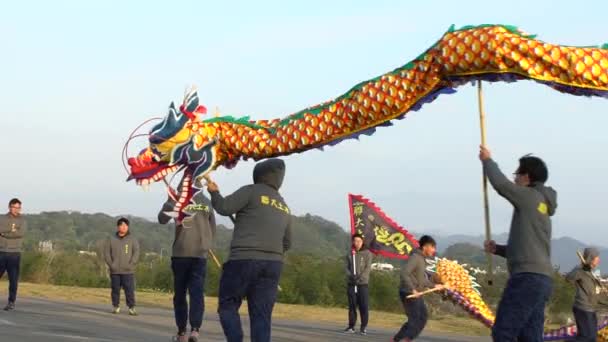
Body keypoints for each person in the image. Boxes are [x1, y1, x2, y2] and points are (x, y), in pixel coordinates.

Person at [206, 158, 293, 342]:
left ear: (258, 174)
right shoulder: (284, 205)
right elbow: (287, 242)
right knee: (261, 315)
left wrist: (214, 193)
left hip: (243, 260)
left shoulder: (251, 191)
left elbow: (224, 207)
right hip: (273, 265)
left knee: (228, 305)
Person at [480, 146, 557, 342]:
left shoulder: (530, 196)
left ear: (526, 177)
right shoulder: (542, 205)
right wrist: (498, 249)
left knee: (504, 332)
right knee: (529, 336)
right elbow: (528, 247)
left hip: (526, 279)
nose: (515, 178)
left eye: (517, 174)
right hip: (541, 279)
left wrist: (488, 161)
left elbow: (501, 185)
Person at [159, 191, 217, 342]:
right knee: (195, 293)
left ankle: (183, 332)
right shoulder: (204, 200)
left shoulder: (183, 198)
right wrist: (207, 244)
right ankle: (193, 331)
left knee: (181, 295)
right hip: (195, 254)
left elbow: (162, 218)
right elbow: (213, 228)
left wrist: (170, 201)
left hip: (185, 253)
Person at [393, 235, 445, 342]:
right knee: (415, 319)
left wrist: (434, 285)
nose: (434, 250)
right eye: (433, 247)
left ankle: (400, 339)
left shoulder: (422, 259)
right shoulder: (416, 258)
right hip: (409, 292)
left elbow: (421, 279)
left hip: (417, 293)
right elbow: (404, 273)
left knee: (422, 317)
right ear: (425, 246)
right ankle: (403, 339)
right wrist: (413, 289)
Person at [566, 248, 608, 342]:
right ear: (591, 258)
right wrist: (581, 269)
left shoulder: (590, 273)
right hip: (583, 308)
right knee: (586, 337)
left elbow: (595, 294)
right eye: (597, 257)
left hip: (591, 309)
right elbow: (569, 278)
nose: (599, 260)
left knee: (592, 338)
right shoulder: (581, 270)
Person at [104, 217, 140, 316]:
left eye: (125, 225)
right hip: (115, 270)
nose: (124, 227)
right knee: (115, 289)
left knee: (129, 290)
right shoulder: (111, 239)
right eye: (122, 225)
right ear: (118, 226)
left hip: (128, 270)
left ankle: (131, 308)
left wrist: (131, 263)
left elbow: (136, 252)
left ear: (128, 227)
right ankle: (116, 306)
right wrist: (111, 265)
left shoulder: (132, 239)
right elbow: (107, 253)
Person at [0, 198, 27, 311]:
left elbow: (20, 233)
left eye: (18, 207)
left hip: (15, 253)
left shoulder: (22, 220)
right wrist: (12, 230)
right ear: (10, 207)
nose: (17, 210)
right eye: (15, 207)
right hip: (1, 252)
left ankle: (11, 302)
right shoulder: (2, 218)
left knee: (13, 279)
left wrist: (5, 233)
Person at [344, 233, 373, 335]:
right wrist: (351, 276)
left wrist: (359, 278)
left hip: (362, 284)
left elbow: (367, 269)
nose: (357, 243)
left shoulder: (367, 253)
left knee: (363, 306)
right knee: (352, 306)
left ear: (362, 242)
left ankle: (363, 327)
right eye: (355, 241)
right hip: (351, 284)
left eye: (359, 241)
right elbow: (346, 268)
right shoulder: (350, 253)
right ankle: (351, 326)